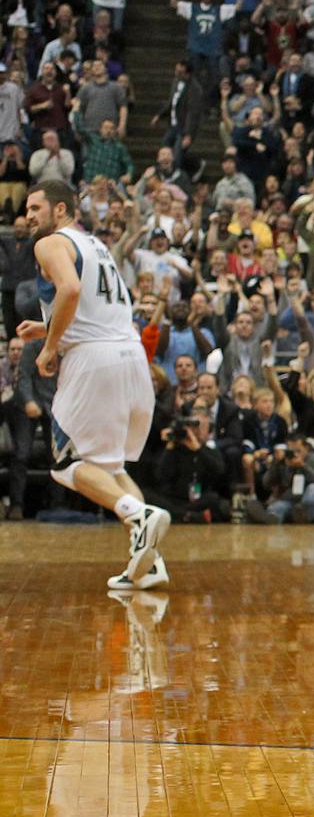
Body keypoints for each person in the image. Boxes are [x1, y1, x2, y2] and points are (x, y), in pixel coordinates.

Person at [13, 180, 170, 589]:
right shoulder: (95, 245)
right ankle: (148, 562)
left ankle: (137, 514)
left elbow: (70, 288)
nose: (28, 216)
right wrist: (47, 327)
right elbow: (91, 303)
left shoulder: (49, 243)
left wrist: (48, 348)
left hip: (94, 361)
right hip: (131, 357)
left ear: (60, 210)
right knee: (111, 466)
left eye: (35, 208)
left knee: (66, 463)